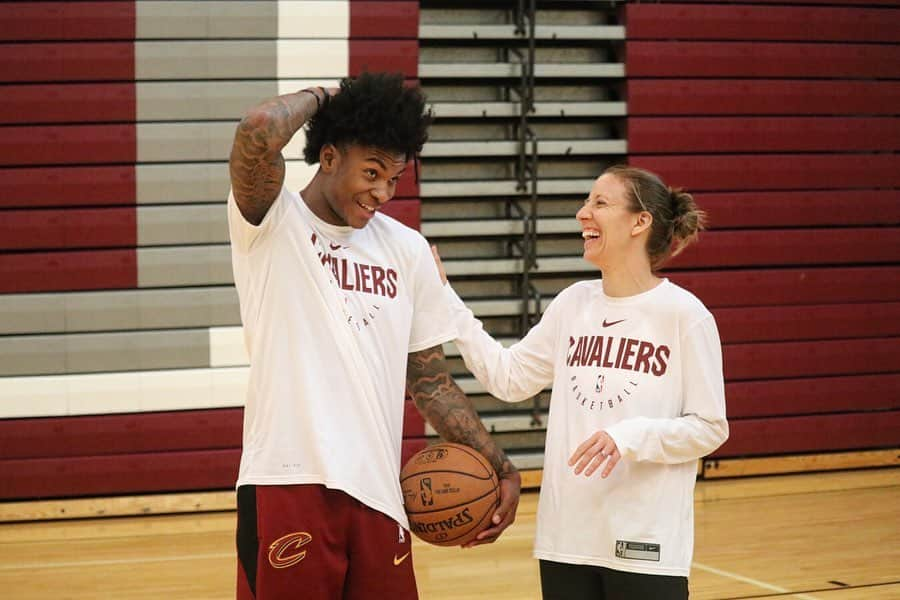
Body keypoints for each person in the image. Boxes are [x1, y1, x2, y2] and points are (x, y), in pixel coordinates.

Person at [227, 72, 521, 600]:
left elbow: (430, 382)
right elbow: (258, 128)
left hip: (381, 493)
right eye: (372, 172)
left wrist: (498, 466)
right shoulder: (273, 220)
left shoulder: (407, 250)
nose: (383, 192)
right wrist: (326, 97)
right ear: (330, 156)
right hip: (289, 479)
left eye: (395, 178)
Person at [432, 165, 728, 599]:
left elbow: (710, 426)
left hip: (645, 542)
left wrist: (628, 436)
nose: (581, 214)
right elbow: (509, 379)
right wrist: (446, 298)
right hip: (566, 539)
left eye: (599, 203)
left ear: (639, 222)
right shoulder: (573, 304)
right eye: (587, 202)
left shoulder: (685, 315)